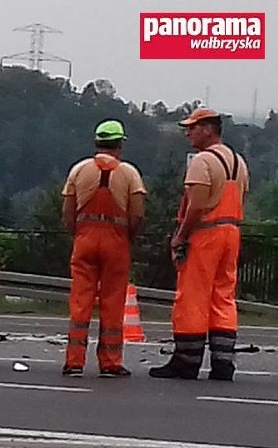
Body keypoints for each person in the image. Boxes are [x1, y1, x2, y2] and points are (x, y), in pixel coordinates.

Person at [150, 108, 249, 381]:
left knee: (193, 297)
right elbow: (242, 198)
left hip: (205, 234)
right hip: (231, 232)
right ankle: (222, 362)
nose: (188, 132)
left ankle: (186, 361)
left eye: (192, 127)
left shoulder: (202, 162)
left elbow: (196, 205)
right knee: (223, 296)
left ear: (208, 129)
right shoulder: (237, 161)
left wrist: (181, 235)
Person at [61, 119, 147, 378]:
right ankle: (110, 362)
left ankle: (74, 361)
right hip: (116, 242)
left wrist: (77, 233)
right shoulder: (130, 173)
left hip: (84, 239)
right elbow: (138, 214)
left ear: (97, 143)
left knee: (80, 301)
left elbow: (67, 211)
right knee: (112, 301)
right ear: (119, 145)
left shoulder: (79, 170)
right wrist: (126, 236)